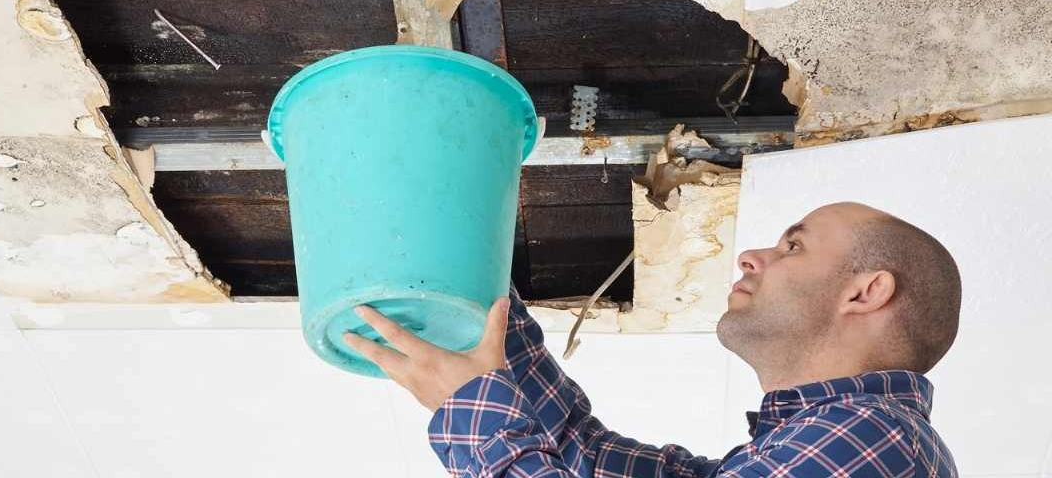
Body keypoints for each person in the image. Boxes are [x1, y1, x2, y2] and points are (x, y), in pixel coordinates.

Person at [345, 201, 962, 478]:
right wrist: (480, 291)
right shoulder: (827, 440)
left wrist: (476, 415)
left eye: (792, 246)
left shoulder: (873, 444)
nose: (751, 256)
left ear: (866, 292)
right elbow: (582, 456)